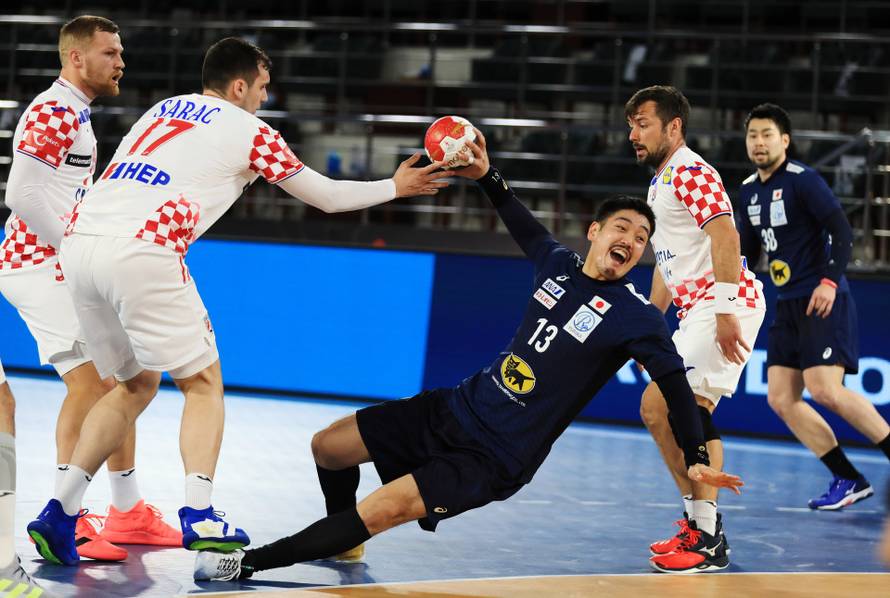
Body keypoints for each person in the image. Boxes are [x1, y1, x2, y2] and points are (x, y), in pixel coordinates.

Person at [193, 129, 744, 582]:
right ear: (595, 232)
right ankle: (345, 543)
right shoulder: (556, 264)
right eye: (622, 227)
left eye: (643, 237)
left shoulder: (635, 315)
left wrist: (695, 450)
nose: (632, 239)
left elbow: (673, 380)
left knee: (382, 509)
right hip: (455, 408)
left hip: (495, 456)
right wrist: (485, 174)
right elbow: (514, 212)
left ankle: (245, 563)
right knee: (328, 447)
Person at [26, 36, 450, 567]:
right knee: (203, 383)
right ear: (240, 84)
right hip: (145, 248)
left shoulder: (164, 108)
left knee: (133, 384)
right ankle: (200, 513)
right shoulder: (251, 129)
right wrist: (395, 186)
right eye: (263, 88)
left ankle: (59, 513)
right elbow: (326, 197)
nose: (265, 100)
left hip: (81, 244)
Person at [0, 15, 181, 564]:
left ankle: (127, 512)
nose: (120, 61)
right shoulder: (54, 111)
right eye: (110, 52)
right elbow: (22, 196)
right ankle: (70, 522)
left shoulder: (75, 113)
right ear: (76, 57)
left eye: (120, 52)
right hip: (36, 265)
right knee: (93, 385)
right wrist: (74, 249)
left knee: (132, 375)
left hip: (60, 262)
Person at [625, 85, 765, 573]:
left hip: (725, 302)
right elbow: (668, 263)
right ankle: (702, 524)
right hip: (697, 309)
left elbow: (725, 232)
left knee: (675, 405)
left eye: (642, 124)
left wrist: (727, 310)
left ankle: (706, 534)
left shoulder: (690, 170)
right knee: (663, 411)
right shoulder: (660, 182)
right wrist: (648, 324)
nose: (633, 135)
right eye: (630, 126)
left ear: (673, 126)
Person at [738, 103, 890, 509]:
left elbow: (841, 231)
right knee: (780, 399)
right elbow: (748, 253)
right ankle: (847, 478)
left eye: (767, 134)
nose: (759, 142)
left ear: (784, 140)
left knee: (826, 390)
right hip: (786, 303)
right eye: (753, 134)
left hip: (822, 297)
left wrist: (827, 281)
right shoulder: (749, 189)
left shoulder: (803, 181)